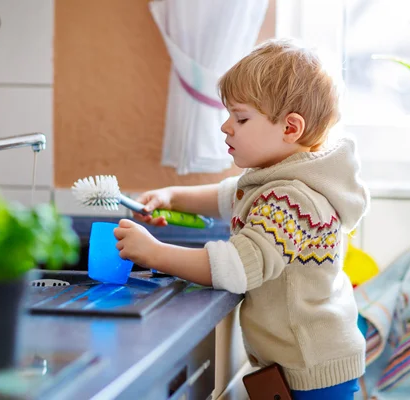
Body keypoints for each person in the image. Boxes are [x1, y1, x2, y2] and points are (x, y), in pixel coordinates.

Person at [113, 39, 369, 399]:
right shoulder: (283, 178)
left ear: (290, 128)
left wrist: (154, 253)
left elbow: (237, 267)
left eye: (241, 117)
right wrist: (173, 196)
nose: (226, 127)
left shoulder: (291, 200)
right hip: (308, 361)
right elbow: (230, 195)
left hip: (310, 370)